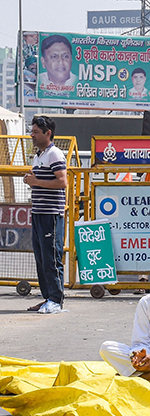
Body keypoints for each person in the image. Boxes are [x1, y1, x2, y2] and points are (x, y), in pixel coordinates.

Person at [24, 115, 68, 314]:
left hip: (51, 213)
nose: (32, 135)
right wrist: (31, 180)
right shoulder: (39, 155)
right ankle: (47, 297)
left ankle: (56, 299)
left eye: (35, 132)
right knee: (41, 257)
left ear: (47, 133)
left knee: (51, 256)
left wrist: (36, 182)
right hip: (39, 212)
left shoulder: (55, 154)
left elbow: (62, 182)